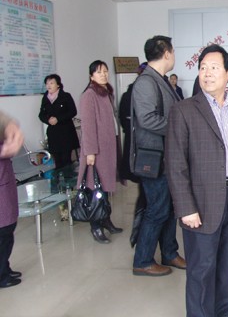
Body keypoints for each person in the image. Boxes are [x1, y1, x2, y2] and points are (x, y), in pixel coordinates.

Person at [165, 44, 228, 317]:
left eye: (214, 68)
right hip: (201, 199)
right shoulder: (184, 110)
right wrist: (186, 208)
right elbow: (175, 164)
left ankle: (223, 312)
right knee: (202, 266)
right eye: (203, 68)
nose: (207, 73)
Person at [131, 35, 186, 276]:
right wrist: (179, 127)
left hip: (166, 156)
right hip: (153, 158)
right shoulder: (146, 82)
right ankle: (142, 260)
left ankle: (169, 253)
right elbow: (147, 119)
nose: (174, 56)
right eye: (172, 51)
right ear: (166, 53)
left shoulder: (159, 80)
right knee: (157, 209)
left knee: (169, 208)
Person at [77, 60, 123, 244]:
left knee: (103, 187)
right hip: (96, 151)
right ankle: (95, 226)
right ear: (91, 76)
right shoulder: (89, 95)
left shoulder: (106, 92)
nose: (103, 74)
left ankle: (106, 219)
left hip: (108, 147)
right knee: (94, 188)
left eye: (105, 71)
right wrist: (90, 152)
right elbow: (87, 126)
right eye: (99, 72)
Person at [119, 62, 147, 247]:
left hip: (137, 148)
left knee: (145, 193)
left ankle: (139, 230)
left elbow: (124, 122)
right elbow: (124, 120)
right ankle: (139, 233)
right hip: (143, 151)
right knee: (146, 194)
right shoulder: (135, 93)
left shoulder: (130, 93)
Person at [0, 111, 24, 289]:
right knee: (3, 230)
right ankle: (1, 275)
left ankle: (5, 268)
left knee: (8, 227)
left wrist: (10, 127)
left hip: (5, 178)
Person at [38, 74, 80, 168]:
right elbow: (41, 114)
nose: (49, 85)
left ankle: (68, 177)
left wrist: (58, 119)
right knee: (57, 162)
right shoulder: (45, 98)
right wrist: (48, 120)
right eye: (47, 83)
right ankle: (59, 177)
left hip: (66, 133)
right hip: (53, 134)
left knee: (66, 161)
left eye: (51, 83)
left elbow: (73, 111)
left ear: (58, 85)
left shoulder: (65, 96)